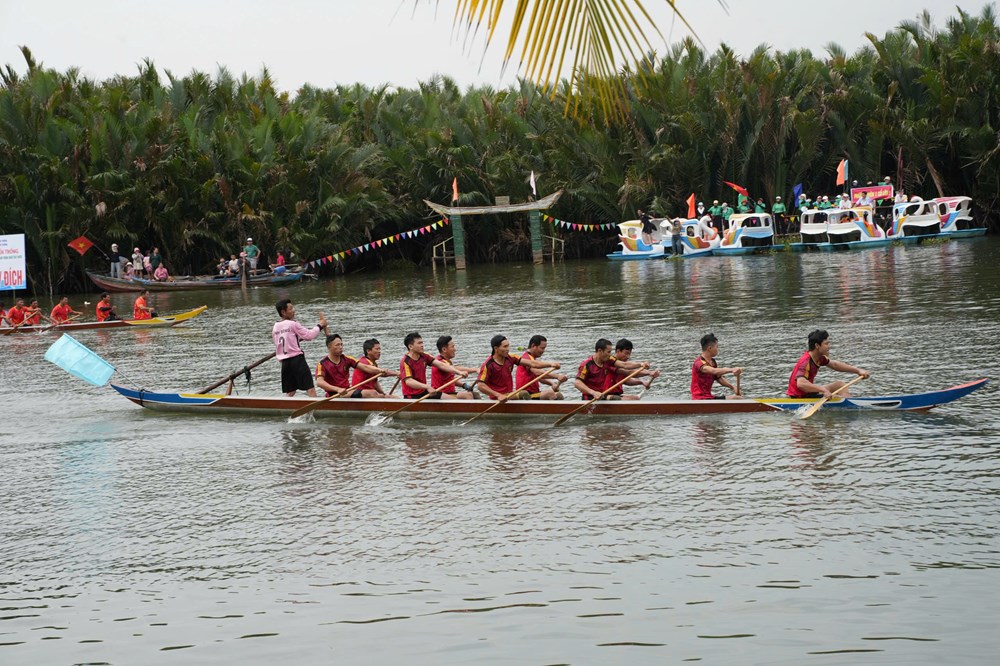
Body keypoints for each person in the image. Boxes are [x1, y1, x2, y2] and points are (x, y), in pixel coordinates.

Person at [787, 329, 870, 399]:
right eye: (826, 344)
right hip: (800, 397)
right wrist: (823, 390)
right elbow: (801, 384)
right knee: (837, 397)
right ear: (817, 345)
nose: (829, 346)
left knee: (840, 385)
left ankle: (849, 402)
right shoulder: (805, 362)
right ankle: (849, 405)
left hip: (809, 393)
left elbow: (835, 365)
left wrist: (858, 370)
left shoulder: (819, 358)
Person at [476, 334, 561, 400]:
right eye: (505, 346)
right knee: (523, 393)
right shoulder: (488, 365)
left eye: (508, 346)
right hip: (498, 398)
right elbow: (480, 385)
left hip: (510, 394)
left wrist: (550, 364)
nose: (508, 349)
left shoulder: (511, 358)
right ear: (496, 348)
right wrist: (498, 395)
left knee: (559, 395)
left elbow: (532, 364)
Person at [272, 298, 327, 397]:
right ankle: (316, 406)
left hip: (285, 363)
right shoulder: (293, 324)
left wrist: (297, 338)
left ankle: (285, 406)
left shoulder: (275, 327)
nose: (293, 311)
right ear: (283, 312)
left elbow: (280, 342)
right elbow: (309, 335)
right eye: (290, 309)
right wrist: (320, 326)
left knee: (291, 391)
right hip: (297, 360)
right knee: (310, 388)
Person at [316, 334, 397, 398]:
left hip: (347, 391)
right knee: (372, 393)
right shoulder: (322, 364)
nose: (340, 347)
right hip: (334, 394)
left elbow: (365, 367)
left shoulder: (347, 359)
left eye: (341, 344)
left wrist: (380, 370)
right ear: (329, 347)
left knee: (391, 397)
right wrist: (337, 389)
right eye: (337, 345)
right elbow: (319, 382)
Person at [574, 338, 649, 400]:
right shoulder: (586, 365)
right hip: (591, 397)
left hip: (604, 395)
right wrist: (593, 392)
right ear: (600, 351)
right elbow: (577, 383)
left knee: (634, 398)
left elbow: (624, 365)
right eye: (608, 352)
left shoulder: (609, 360)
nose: (610, 354)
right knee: (618, 399)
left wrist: (641, 364)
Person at [399, 332, 468, 399]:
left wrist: (458, 372)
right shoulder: (405, 361)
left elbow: (441, 365)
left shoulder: (424, 356)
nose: (422, 345)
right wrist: (427, 387)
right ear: (410, 346)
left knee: (452, 400)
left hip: (424, 392)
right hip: (412, 396)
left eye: (422, 343)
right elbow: (409, 381)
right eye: (419, 343)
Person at [515, 335, 569, 400]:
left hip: (534, 393)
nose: (543, 351)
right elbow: (538, 372)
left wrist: (552, 383)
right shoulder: (526, 358)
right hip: (526, 394)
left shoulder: (532, 358)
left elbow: (539, 378)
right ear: (533, 346)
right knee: (549, 393)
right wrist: (557, 376)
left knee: (558, 395)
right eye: (542, 348)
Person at [691, 333, 743, 399]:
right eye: (717, 347)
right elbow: (713, 371)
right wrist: (732, 370)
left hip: (709, 397)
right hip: (699, 399)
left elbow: (719, 378)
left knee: (738, 398)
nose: (718, 349)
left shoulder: (712, 362)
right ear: (709, 348)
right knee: (737, 399)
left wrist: (733, 387)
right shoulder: (698, 363)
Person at [431, 335, 480, 399]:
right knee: (468, 395)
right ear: (444, 349)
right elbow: (455, 368)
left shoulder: (447, 361)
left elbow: (450, 380)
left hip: (449, 393)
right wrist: (475, 370)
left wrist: (463, 385)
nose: (455, 349)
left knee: (475, 395)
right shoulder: (440, 362)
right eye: (452, 347)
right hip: (440, 395)